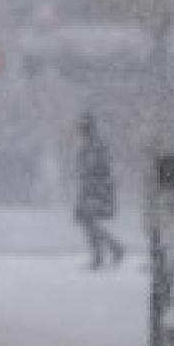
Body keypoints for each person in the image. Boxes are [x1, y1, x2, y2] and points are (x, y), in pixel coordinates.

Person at [75, 112, 123, 269]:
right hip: (91, 191)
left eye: (84, 126)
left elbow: (95, 168)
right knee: (87, 221)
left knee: (87, 220)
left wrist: (90, 185)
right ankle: (112, 249)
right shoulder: (88, 145)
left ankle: (102, 254)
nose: (82, 129)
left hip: (98, 191)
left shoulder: (96, 145)